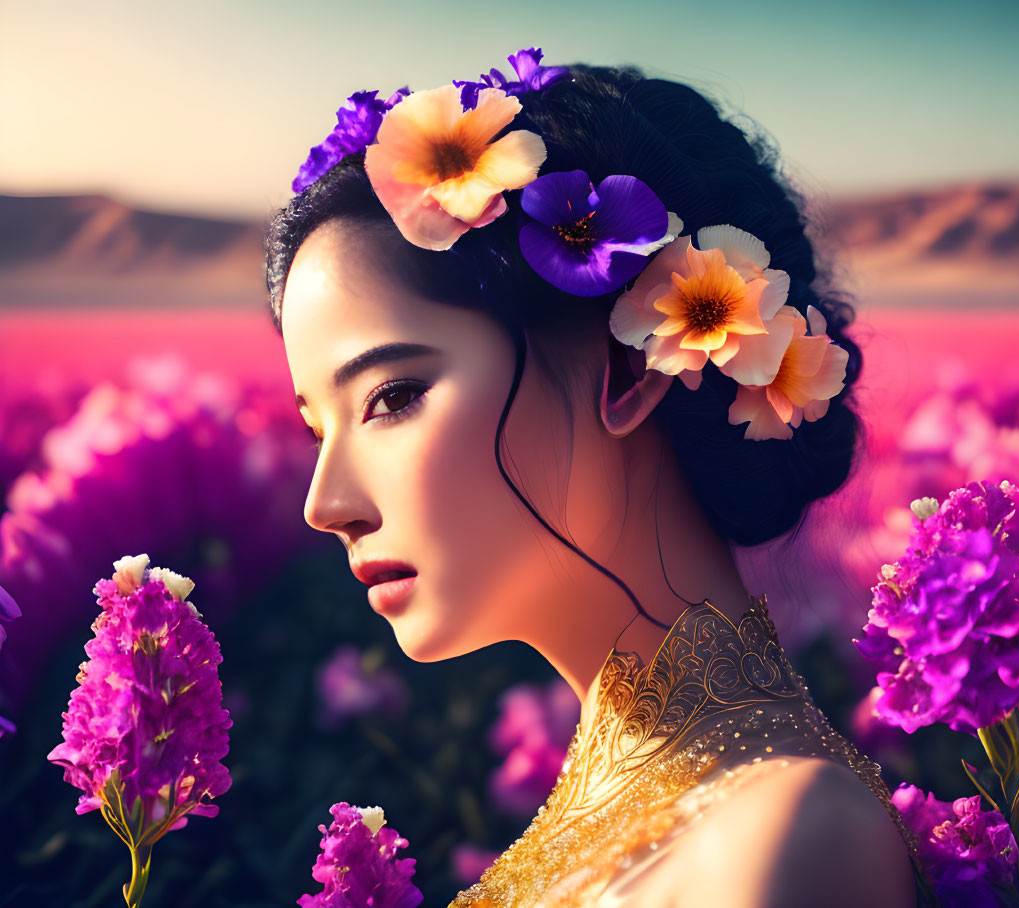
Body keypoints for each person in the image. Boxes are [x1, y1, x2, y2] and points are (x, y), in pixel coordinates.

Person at [268, 50, 929, 907]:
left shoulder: (780, 836)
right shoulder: (610, 821)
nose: (326, 505)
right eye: (315, 429)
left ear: (629, 369)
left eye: (392, 397)